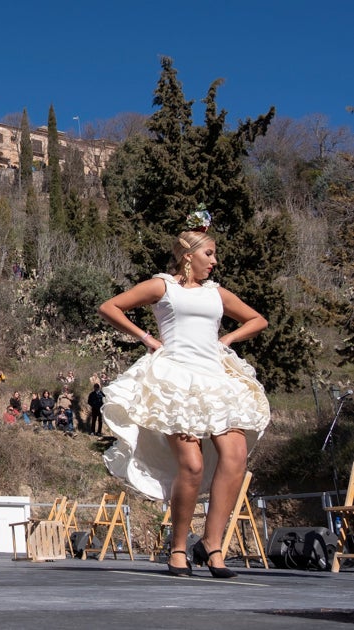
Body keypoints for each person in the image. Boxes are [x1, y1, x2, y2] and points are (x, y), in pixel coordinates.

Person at [97, 210, 269, 579]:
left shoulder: (216, 292)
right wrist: (145, 338)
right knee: (191, 465)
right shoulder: (163, 286)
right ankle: (178, 546)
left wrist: (228, 338)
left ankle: (213, 544)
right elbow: (110, 307)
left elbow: (257, 320)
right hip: (175, 379)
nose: (215, 261)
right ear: (189, 255)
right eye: (210, 254)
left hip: (216, 378)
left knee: (235, 454)